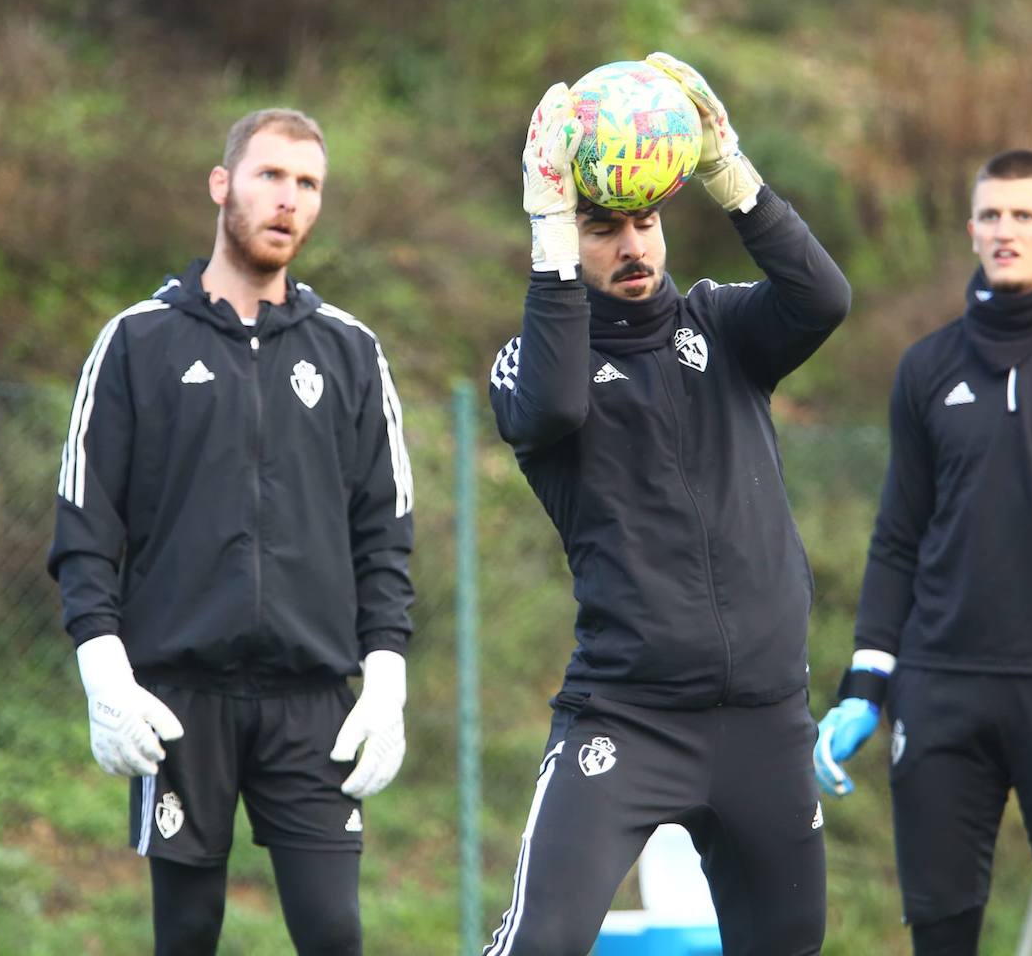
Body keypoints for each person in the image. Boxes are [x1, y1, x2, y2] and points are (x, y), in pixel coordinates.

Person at [483, 53, 850, 956]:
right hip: (629, 717)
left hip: (766, 720)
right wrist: (551, 233)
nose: (634, 245)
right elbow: (559, 406)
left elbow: (823, 299)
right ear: (571, 237)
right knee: (539, 945)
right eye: (604, 228)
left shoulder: (723, 326)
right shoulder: (527, 366)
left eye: (645, 220)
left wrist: (732, 173)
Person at [47, 108, 415, 956]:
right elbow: (84, 526)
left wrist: (387, 676)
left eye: (309, 184)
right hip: (177, 700)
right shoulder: (135, 343)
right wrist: (103, 670)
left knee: (334, 933)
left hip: (313, 698)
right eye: (271, 176)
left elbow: (384, 532)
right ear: (222, 186)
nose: (290, 200)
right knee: (186, 933)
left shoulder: (350, 352)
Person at [813, 150, 1032, 955]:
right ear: (971, 228)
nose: (1005, 231)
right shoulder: (926, 367)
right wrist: (864, 685)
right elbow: (899, 538)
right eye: (990, 215)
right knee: (940, 933)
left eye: (1024, 215)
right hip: (939, 689)